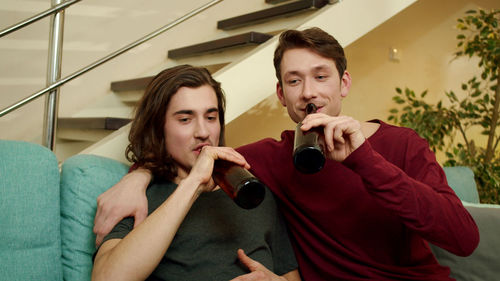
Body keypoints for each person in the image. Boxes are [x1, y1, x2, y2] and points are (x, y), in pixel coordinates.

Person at [94, 28, 480, 280]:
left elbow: (463, 239)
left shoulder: (403, 144)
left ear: (344, 83)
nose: (308, 92)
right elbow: (197, 149)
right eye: (294, 81)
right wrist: (138, 174)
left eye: (321, 76)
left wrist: (365, 159)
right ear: (281, 95)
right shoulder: (269, 161)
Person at [91, 65, 300, 281]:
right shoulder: (136, 199)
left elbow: (291, 278)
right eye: (185, 119)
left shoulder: (255, 190)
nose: (203, 132)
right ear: (158, 128)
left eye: (210, 118)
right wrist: (194, 183)